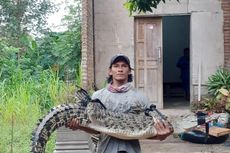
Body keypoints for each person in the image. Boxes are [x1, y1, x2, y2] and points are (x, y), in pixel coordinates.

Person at [67, 54, 173, 153]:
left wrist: (161, 135)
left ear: (129, 71)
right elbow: (96, 129)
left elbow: (147, 131)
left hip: (131, 150)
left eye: (124, 66)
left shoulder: (141, 97)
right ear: (110, 71)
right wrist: (80, 126)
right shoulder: (97, 97)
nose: (120, 69)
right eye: (116, 66)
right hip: (105, 149)